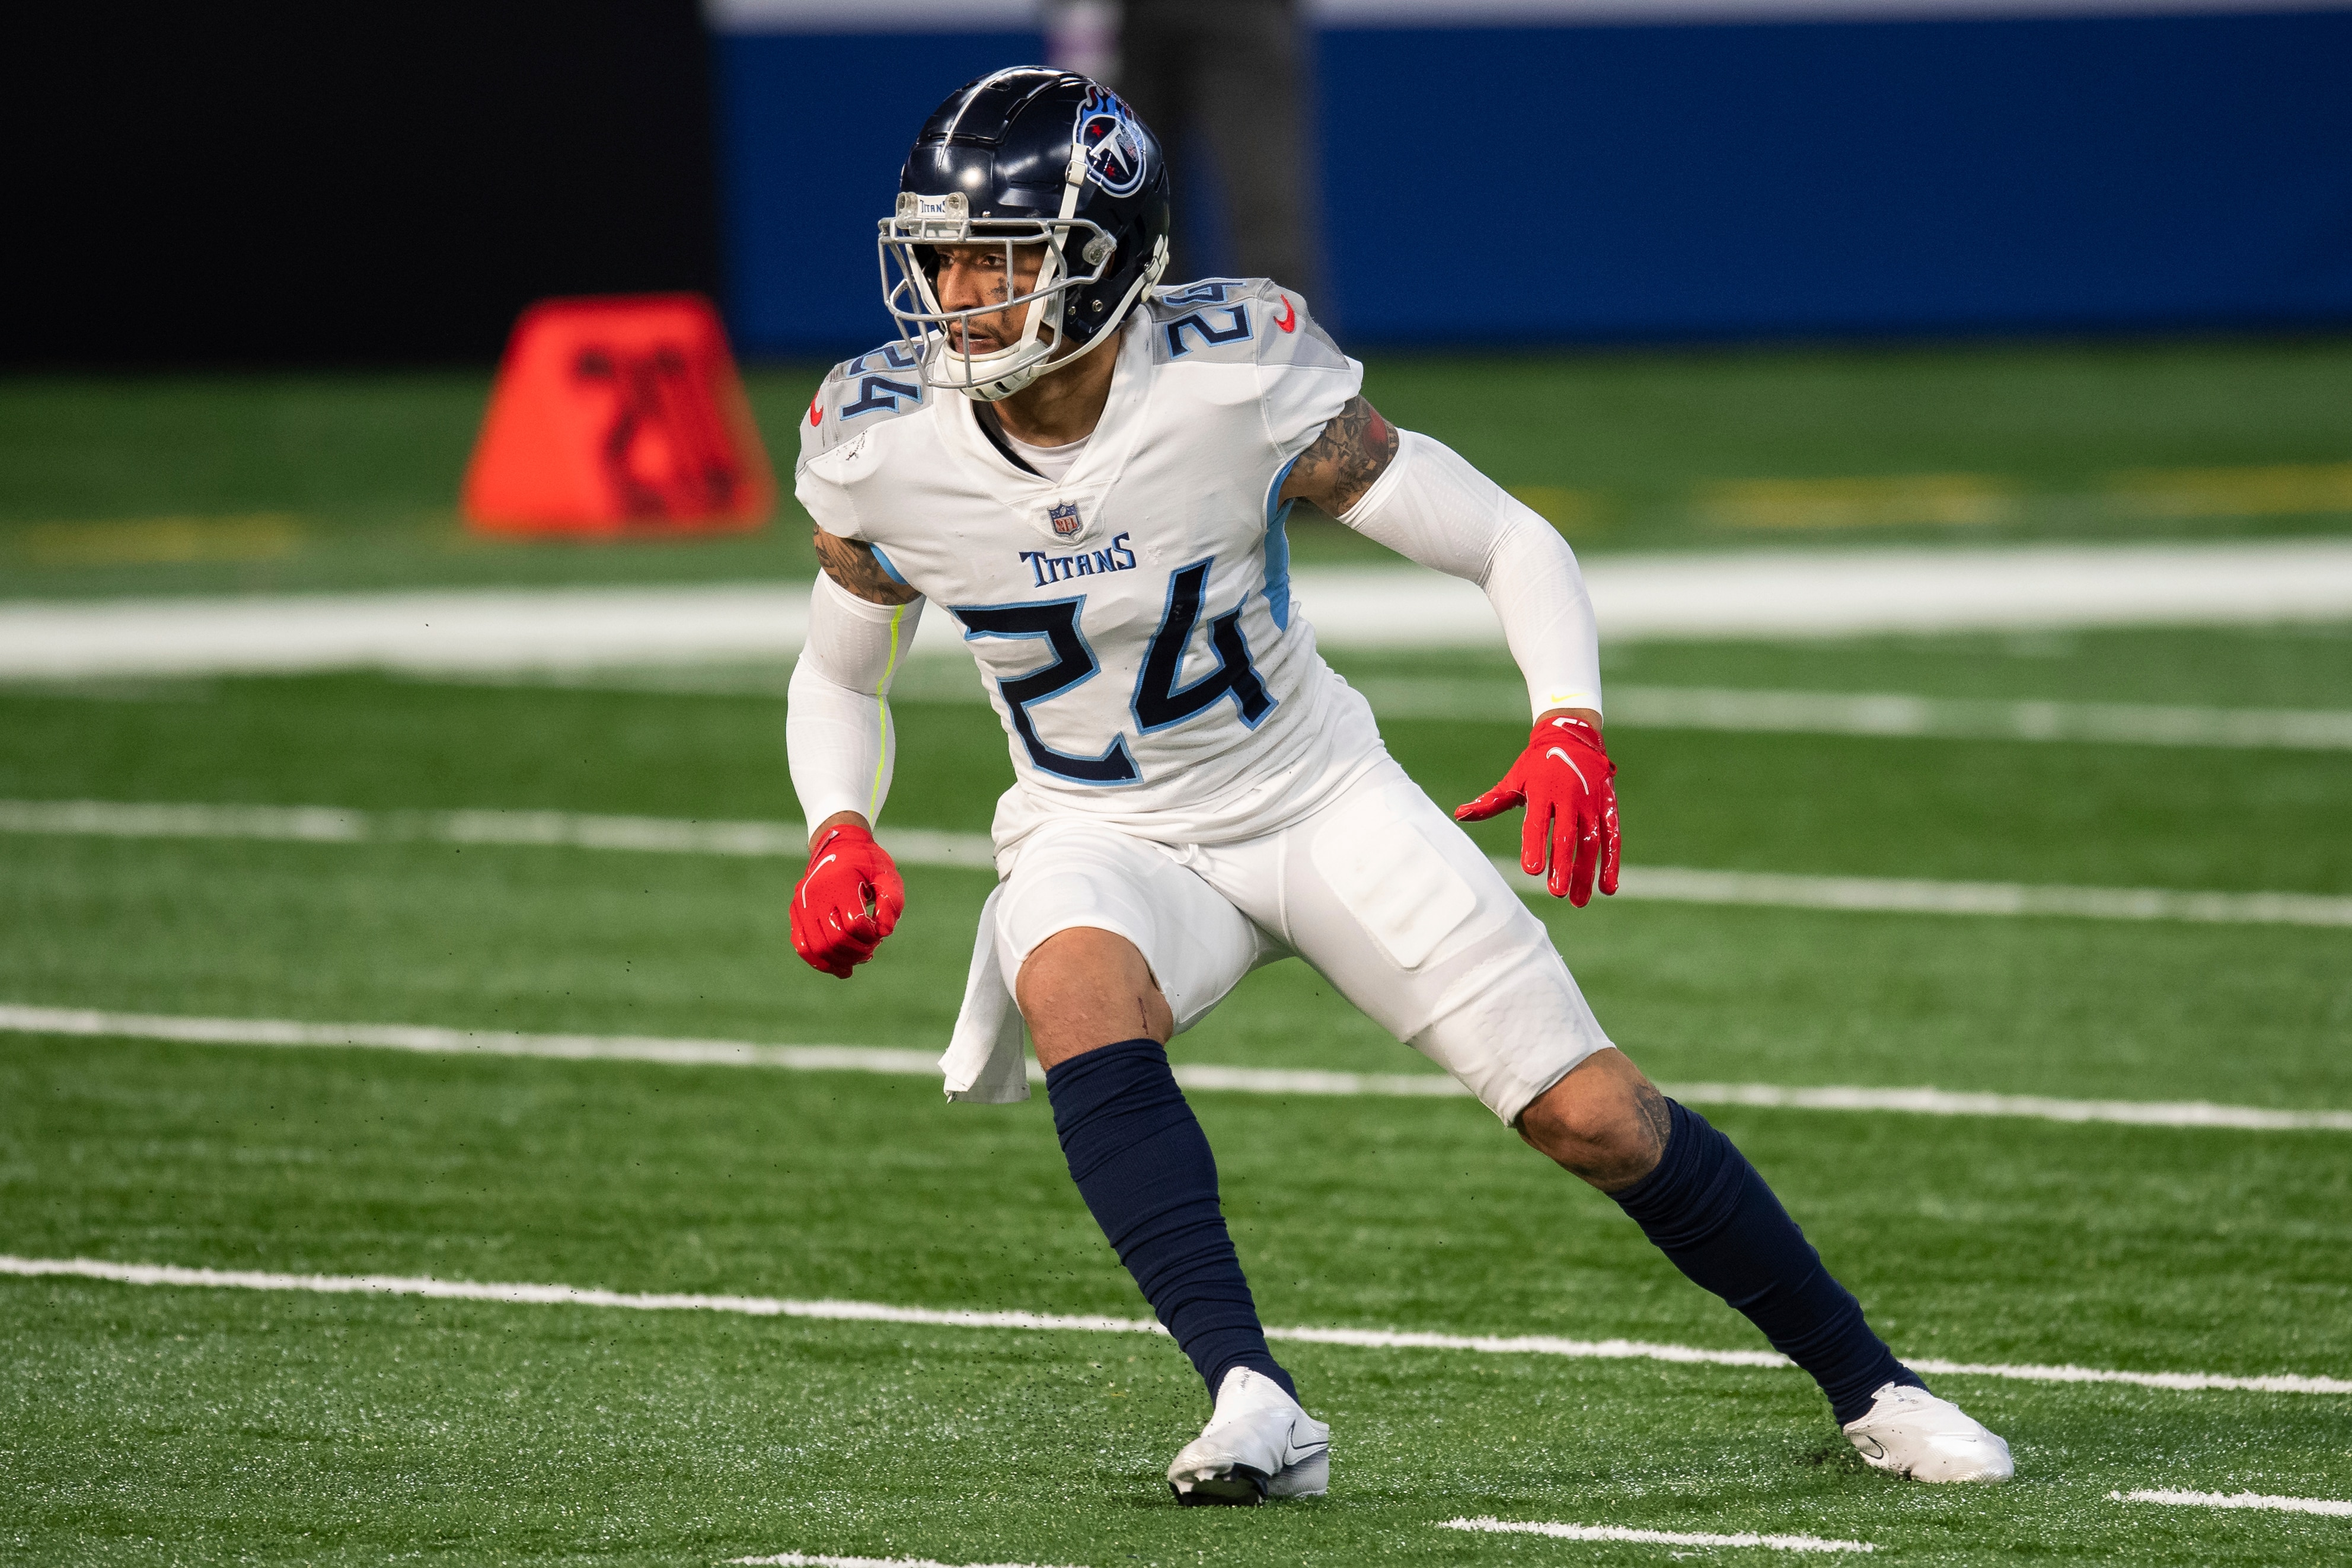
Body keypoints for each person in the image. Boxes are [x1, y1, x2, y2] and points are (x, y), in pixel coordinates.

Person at [786, 68, 2013, 1506]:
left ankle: (1871, 1381)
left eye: (994, 257)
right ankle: (1252, 1396)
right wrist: (837, 826)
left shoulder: (1236, 379)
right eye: (936, 254)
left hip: (1314, 796)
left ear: (1105, 260)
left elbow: (1507, 540)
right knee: (1070, 985)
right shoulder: (880, 441)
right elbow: (838, 676)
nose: (952, 292)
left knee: (1593, 1117)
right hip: (1099, 824)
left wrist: (1568, 723)